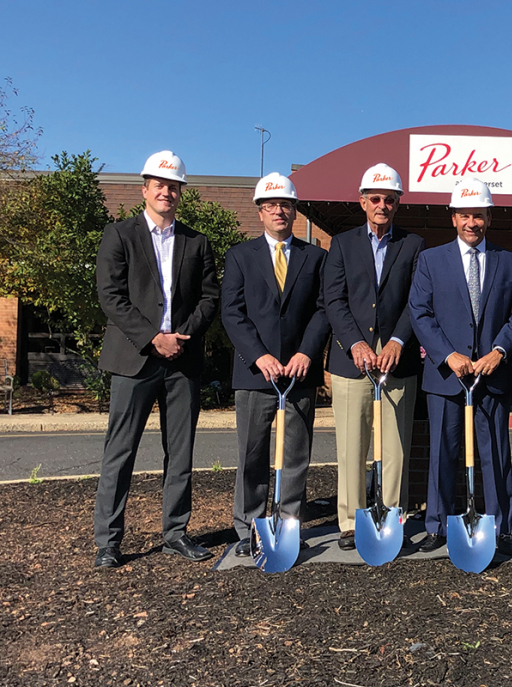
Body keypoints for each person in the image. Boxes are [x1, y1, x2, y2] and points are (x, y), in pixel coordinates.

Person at [93, 151, 219, 568]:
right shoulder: (119, 235)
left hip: (182, 360)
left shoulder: (197, 242)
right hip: (134, 359)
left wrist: (181, 337)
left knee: (180, 452)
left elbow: (209, 298)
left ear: (181, 192)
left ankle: (175, 533)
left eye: (174, 186)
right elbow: (111, 296)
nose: (167, 191)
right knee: (120, 452)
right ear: (144, 189)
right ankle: (108, 542)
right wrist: (153, 338)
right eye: (160, 185)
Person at [408, 177, 512, 557]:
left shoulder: (510, 262)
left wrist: (499, 351)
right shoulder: (431, 260)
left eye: (479, 215)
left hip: (492, 374)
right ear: (453, 217)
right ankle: (437, 525)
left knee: (497, 456)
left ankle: (501, 528)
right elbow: (420, 313)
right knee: (443, 452)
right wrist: (447, 354)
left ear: (489, 218)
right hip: (447, 377)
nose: (472, 222)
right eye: (465, 215)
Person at [221, 173, 330, 557]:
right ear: (260, 212)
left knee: (295, 455)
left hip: (299, 372)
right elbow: (232, 312)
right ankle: (249, 527)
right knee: (252, 454)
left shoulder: (315, 257)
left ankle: (288, 524)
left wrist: (307, 352)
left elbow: (323, 310)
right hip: (256, 373)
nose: (279, 211)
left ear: (295, 211)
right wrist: (259, 355)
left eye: (285, 205)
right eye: (271, 205)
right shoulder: (240, 256)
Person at [323, 163, 425, 550]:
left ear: (398, 203)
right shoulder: (342, 243)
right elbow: (333, 300)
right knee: (352, 447)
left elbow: (417, 299)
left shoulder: (413, 245)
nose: (383, 205)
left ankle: (391, 518)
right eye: (376, 198)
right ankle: (351, 522)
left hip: (398, 361)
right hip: (352, 361)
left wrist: (398, 340)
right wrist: (355, 343)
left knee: (395, 447)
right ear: (363, 201)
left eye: (390, 199)